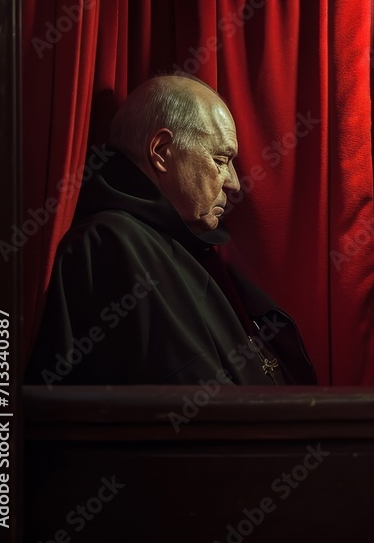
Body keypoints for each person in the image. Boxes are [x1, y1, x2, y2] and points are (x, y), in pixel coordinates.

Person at [25, 75, 317, 387]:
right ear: (162, 151)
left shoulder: (184, 245)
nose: (233, 182)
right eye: (220, 160)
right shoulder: (108, 245)